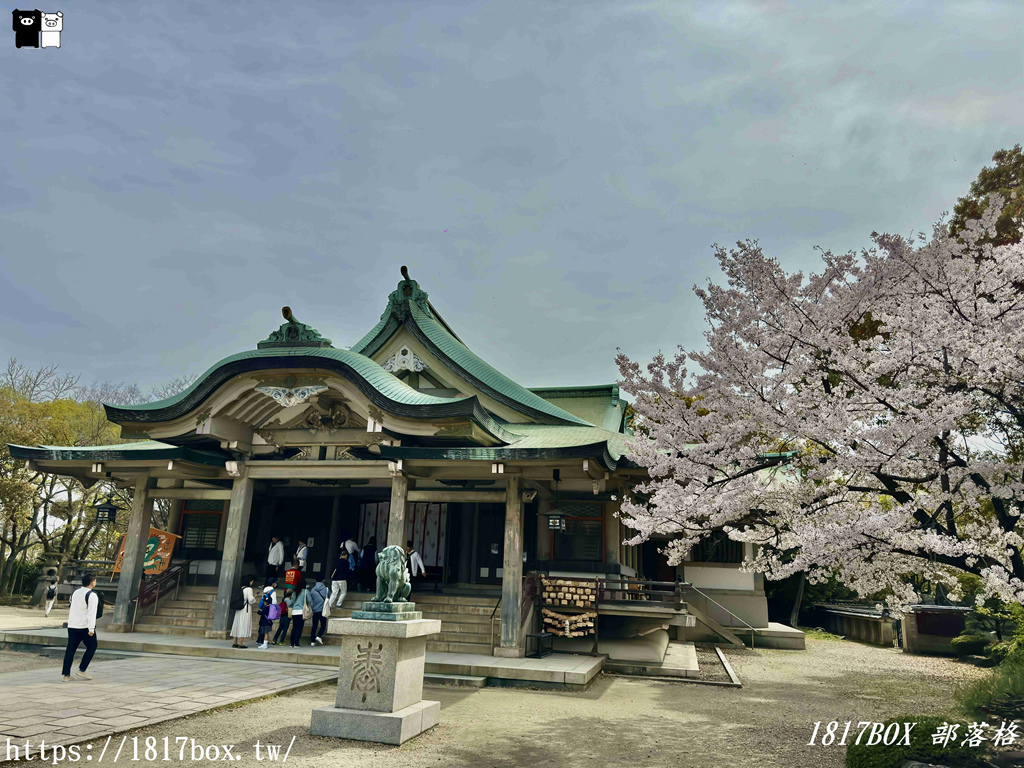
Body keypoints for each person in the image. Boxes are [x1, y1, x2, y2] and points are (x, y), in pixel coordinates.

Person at [62, 573, 99, 681]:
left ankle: (66, 675)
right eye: (95, 581)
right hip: (85, 626)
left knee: (70, 649)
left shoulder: (75, 593)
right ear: (92, 582)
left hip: (73, 625)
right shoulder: (92, 595)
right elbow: (91, 613)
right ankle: (82, 669)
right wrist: (91, 629)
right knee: (92, 646)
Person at [230, 575, 256, 649]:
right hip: (245, 609)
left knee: (237, 623)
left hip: (239, 608)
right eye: (251, 581)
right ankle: (240, 642)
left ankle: (234, 642)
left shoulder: (241, 588)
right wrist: (254, 597)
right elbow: (251, 600)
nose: (252, 583)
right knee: (244, 624)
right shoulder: (249, 589)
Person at [256, 578, 277, 650]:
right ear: (273, 584)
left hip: (263, 609)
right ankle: (264, 641)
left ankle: (259, 640)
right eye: (275, 583)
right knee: (266, 628)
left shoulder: (265, 590)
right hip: (268, 610)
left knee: (262, 626)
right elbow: (274, 602)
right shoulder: (273, 592)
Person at [308, 574, 329, 646]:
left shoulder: (313, 590)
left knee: (314, 626)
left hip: (315, 610)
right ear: (323, 580)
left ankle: (312, 641)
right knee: (323, 625)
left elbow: (311, 600)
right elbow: (329, 598)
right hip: (323, 610)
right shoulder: (326, 589)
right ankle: (319, 636)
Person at [289, 581, 310, 648]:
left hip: (294, 611)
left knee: (294, 627)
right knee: (299, 628)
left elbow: (291, 602)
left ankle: (291, 643)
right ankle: (296, 643)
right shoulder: (306, 592)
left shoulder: (295, 592)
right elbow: (310, 600)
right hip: (301, 611)